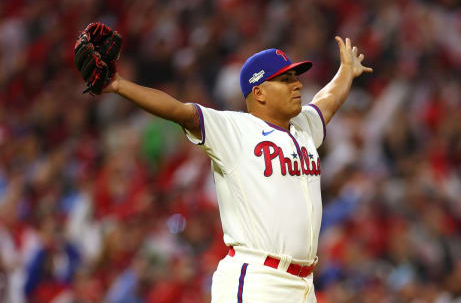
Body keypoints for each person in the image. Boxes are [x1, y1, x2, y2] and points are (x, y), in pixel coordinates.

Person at [100, 36, 372, 302]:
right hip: (258, 279)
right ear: (259, 92)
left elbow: (327, 101)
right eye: (285, 80)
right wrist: (120, 85)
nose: (297, 85)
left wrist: (346, 72)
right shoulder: (234, 129)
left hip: (303, 284)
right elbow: (179, 111)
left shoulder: (304, 127)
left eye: (296, 78)